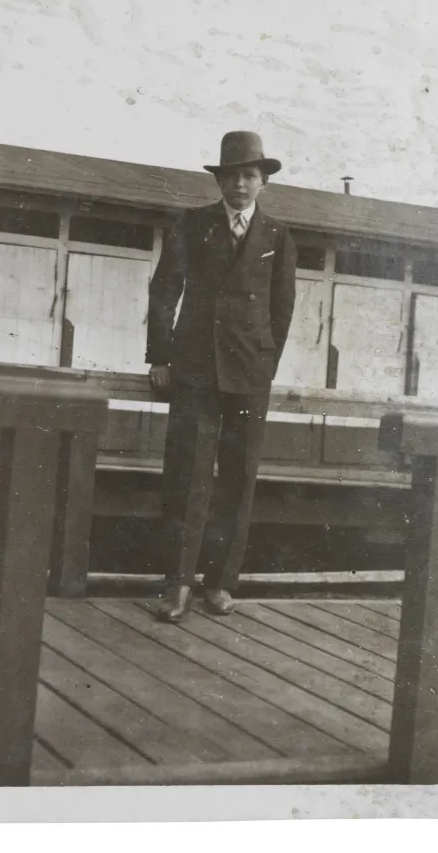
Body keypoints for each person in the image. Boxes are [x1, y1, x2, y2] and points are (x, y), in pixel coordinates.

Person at [146, 131, 297, 623]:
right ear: (219, 180)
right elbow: (165, 288)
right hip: (195, 369)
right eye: (231, 175)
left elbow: (283, 307)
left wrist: (266, 366)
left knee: (239, 476)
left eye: (249, 175)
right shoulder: (192, 224)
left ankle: (221, 583)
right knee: (187, 476)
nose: (239, 184)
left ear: (264, 182)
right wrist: (160, 356)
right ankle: (177, 584)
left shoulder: (277, 235)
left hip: (250, 372)